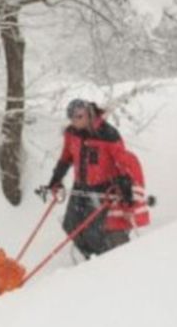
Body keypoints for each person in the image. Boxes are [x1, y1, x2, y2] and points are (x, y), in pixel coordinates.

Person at [44, 99, 136, 259]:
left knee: (95, 231)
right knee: (70, 225)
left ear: (89, 113)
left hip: (103, 189)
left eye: (79, 116)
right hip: (80, 188)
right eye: (72, 118)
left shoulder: (108, 134)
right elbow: (66, 158)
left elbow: (123, 165)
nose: (75, 121)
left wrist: (127, 195)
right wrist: (55, 180)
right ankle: (90, 258)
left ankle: (105, 260)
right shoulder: (71, 133)